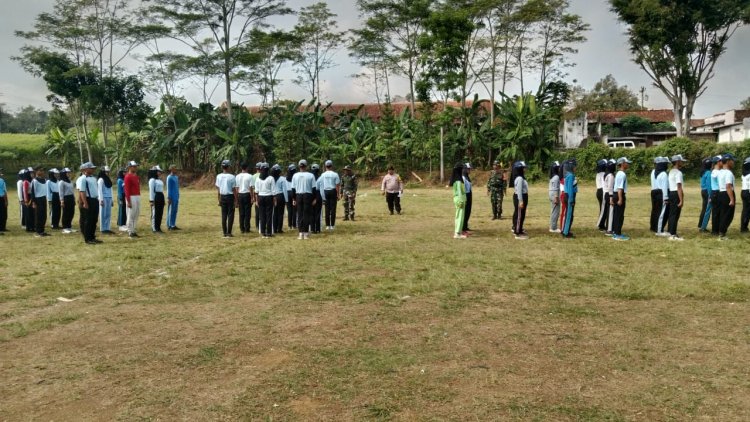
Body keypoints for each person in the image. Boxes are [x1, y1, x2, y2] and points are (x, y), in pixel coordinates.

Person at [291, 159, 317, 240]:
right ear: (306, 166)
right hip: (307, 196)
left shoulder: (295, 175)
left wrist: (293, 199)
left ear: (299, 166)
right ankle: (305, 233)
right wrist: (314, 198)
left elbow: (293, 189)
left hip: (298, 195)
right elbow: (314, 188)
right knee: (306, 214)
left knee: (300, 214)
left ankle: (300, 233)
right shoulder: (311, 175)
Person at [76, 162, 101, 244]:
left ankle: (92, 236)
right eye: (91, 168)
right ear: (85, 169)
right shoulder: (83, 179)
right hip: (88, 199)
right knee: (88, 220)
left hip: (94, 199)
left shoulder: (93, 178)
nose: (93, 169)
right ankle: (87, 238)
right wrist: (85, 202)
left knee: (94, 219)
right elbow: (82, 191)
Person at [216, 160, 238, 238]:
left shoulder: (218, 176)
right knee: (230, 215)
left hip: (222, 196)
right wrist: (236, 200)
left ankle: (224, 232)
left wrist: (219, 199)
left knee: (224, 215)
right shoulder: (232, 177)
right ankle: (229, 232)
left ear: (222, 167)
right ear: (228, 167)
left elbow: (218, 189)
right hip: (230, 197)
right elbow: (234, 190)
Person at [254, 162, 277, 238]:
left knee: (262, 215)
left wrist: (256, 201)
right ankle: (269, 233)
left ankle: (263, 232)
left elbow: (256, 191)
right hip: (269, 197)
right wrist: (275, 200)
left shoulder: (257, 179)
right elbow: (273, 191)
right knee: (269, 215)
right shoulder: (271, 178)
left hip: (260, 197)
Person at [611, 157, 631, 241]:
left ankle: (616, 232)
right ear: (622, 164)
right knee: (619, 216)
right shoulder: (622, 174)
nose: (628, 164)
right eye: (627, 163)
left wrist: (612, 198)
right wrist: (620, 199)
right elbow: (619, 188)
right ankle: (617, 234)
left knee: (617, 215)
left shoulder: (618, 173)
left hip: (616, 195)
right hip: (619, 195)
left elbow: (614, 186)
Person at [717, 153, 736, 240]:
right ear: (728, 161)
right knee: (728, 215)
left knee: (722, 214)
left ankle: (721, 231)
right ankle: (722, 234)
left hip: (721, 193)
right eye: (732, 161)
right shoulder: (728, 173)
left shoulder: (720, 172)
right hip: (727, 194)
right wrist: (732, 199)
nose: (733, 162)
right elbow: (728, 186)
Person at [667, 155, 685, 241]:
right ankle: (673, 234)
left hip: (671, 193)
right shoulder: (678, 173)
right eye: (681, 161)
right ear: (677, 162)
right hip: (676, 194)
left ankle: (671, 232)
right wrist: (681, 200)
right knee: (675, 215)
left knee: (672, 214)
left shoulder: (671, 171)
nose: (682, 163)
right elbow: (679, 187)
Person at [320, 160, 341, 231]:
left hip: (326, 191)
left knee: (327, 209)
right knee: (333, 209)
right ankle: (332, 225)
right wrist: (338, 194)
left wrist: (322, 194)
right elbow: (337, 185)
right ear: (331, 166)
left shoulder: (323, 175)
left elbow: (321, 185)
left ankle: (327, 225)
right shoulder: (335, 174)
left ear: (325, 166)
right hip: (333, 191)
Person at [124, 160, 142, 238]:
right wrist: (128, 201)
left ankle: (134, 230)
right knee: (131, 214)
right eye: (134, 166)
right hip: (131, 196)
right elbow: (126, 190)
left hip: (137, 196)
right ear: (129, 167)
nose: (135, 168)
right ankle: (130, 231)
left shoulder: (136, 176)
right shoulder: (127, 176)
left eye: (136, 166)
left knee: (136, 214)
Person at [30, 166, 50, 237]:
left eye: (43, 170)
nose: (42, 172)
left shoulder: (44, 180)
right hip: (38, 199)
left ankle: (42, 230)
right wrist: (34, 202)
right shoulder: (34, 181)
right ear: (36, 171)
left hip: (43, 199)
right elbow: (33, 192)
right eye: (40, 170)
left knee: (43, 215)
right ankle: (38, 232)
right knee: (38, 216)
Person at [512, 161, 529, 240]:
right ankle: (517, 233)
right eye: (523, 168)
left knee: (521, 214)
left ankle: (519, 229)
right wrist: (521, 201)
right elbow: (519, 190)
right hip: (520, 197)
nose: (525, 169)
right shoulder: (519, 178)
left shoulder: (521, 177)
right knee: (519, 215)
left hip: (523, 196)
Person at [561, 159, 578, 238]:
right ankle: (566, 233)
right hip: (569, 196)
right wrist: (571, 200)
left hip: (566, 195)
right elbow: (570, 189)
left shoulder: (568, 174)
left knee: (568, 214)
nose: (576, 168)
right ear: (571, 167)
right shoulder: (570, 175)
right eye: (575, 166)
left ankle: (565, 230)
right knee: (569, 215)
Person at [236, 162, 254, 233]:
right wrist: (252, 197)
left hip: (240, 194)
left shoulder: (237, 176)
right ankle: (247, 228)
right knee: (247, 212)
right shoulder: (250, 176)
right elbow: (250, 188)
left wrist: (236, 198)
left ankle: (242, 228)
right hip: (247, 195)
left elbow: (237, 188)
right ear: (247, 168)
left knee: (241, 212)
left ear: (241, 168)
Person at [450, 163, 467, 239]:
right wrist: (461, 201)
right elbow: (460, 192)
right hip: (459, 199)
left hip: (456, 199)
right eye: (462, 169)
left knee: (457, 216)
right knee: (460, 216)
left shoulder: (455, 179)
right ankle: (457, 233)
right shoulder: (459, 181)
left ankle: (457, 232)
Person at [654, 157, 670, 237]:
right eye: (666, 164)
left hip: (658, 193)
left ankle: (659, 229)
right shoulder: (663, 174)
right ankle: (659, 231)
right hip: (662, 194)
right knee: (661, 213)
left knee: (658, 212)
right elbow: (664, 187)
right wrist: (666, 198)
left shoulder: (657, 173)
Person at [97, 166, 115, 234]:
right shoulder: (101, 180)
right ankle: (103, 229)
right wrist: (101, 200)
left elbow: (111, 190)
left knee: (108, 214)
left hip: (109, 198)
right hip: (103, 198)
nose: (107, 173)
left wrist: (112, 199)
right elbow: (99, 190)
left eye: (108, 172)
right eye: (106, 172)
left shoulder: (108, 179)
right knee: (103, 214)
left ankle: (107, 228)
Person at [58, 168, 76, 234]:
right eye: (67, 173)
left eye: (69, 172)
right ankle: (65, 227)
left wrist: (74, 198)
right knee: (66, 213)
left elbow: (72, 191)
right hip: (65, 198)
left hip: (71, 198)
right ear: (64, 174)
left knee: (71, 213)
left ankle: (69, 227)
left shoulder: (70, 181)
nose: (69, 174)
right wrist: (62, 201)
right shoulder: (61, 182)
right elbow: (61, 192)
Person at [148, 166, 166, 234]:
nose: (159, 173)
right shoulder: (152, 180)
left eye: (160, 172)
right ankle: (154, 228)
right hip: (155, 196)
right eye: (158, 171)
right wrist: (151, 200)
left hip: (161, 196)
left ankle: (158, 227)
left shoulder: (159, 180)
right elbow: (151, 191)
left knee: (160, 213)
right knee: (155, 213)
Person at [271, 164, 288, 234]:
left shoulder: (271, 178)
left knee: (275, 213)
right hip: (280, 196)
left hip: (273, 196)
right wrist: (286, 200)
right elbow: (284, 190)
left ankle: (274, 229)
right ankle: (279, 229)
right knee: (281, 213)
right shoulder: (282, 179)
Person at [710, 155, 723, 236]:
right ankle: (715, 230)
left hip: (714, 193)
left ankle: (715, 230)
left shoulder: (714, 171)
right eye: (722, 161)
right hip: (717, 192)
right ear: (718, 162)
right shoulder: (717, 172)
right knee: (717, 213)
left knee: (715, 212)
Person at [602, 159, 617, 236]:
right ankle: (609, 230)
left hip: (606, 194)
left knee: (608, 212)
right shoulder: (610, 175)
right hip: (609, 194)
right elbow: (610, 187)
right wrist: (611, 198)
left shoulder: (606, 174)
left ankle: (608, 227)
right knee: (610, 212)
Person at [698, 158, 712, 232]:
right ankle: (703, 227)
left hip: (703, 190)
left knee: (704, 209)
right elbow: (709, 185)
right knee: (707, 209)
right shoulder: (708, 173)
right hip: (707, 191)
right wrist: (711, 195)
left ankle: (700, 225)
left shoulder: (703, 172)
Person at [649, 157, 662, 233]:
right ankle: (656, 227)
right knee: (658, 210)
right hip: (658, 191)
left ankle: (652, 226)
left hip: (653, 191)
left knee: (654, 209)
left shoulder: (653, 171)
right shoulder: (659, 172)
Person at [548, 161, 561, 233]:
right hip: (554, 194)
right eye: (558, 168)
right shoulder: (556, 177)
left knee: (553, 211)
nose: (559, 169)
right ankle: (553, 228)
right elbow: (556, 188)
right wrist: (556, 197)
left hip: (551, 194)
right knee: (556, 211)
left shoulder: (552, 176)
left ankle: (552, 226)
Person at [166, 164, 181, 230]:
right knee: (170, 211)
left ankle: (173, 224)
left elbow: (177, 187)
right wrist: (169, 197)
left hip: (176, 196)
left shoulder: (176, 177)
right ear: (171, 169)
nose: (176, 170)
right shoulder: (169, 177)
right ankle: (169, 225)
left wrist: (178, 194)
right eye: (174, 168)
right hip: (171, 196)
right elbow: (168, 188)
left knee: (175, 210)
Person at [311, 163, 323, 233]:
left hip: (311, 194)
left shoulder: (309, 177)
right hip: (318, 194)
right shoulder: (320, 178)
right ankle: (318, 229)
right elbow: (321, 189)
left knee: (312, 213)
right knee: (318, 213)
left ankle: (312, 229)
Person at [22, 168, 35, 233]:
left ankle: (33, 226)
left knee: (33, 213)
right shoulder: (26, 182)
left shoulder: (32, 181)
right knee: (28, 213)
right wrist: (26, 201)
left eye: (33, 173)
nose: (32, 174)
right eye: (31, 173)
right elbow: (25, 192)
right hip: (28, 197)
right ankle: (28, 227)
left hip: (32, 197)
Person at [462, 163, 473, 233]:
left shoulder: (467, 177)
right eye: (469, 169)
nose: (470, 170)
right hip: (466, 195)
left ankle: (465, 226)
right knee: (465, 212)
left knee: (468, 211)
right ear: (465, 169)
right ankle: (463, 227)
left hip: (469, 195)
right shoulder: (463, 177)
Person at [285, 164, 297, 229]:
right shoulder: (295, 177)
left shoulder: (285, 178)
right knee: (294, 210)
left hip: (287, 193)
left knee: (289, 210)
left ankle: (290, 225)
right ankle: (294, 225)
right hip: (294, 192)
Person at [595, 159, 607, 224]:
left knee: (602, 208)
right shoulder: (603, 174)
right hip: (602, 191)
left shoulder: (598, 173)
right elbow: (604, 185)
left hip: (598, 191)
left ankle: (601, 223)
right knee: (603, 209)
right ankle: (601, 224)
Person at [741, 157, 750, 233]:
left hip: (744, 191)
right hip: (748, 192)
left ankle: (743, 227)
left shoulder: (744, 174)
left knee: (745, 210)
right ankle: (744, 228)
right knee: (747, 211)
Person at [0, 168, 7, 234]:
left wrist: (5, 200)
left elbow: (4, 191)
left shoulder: (2, 180)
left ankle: (2, 227)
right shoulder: (2, 180)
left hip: (2, 198)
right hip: (1, 198)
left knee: (2, 213)